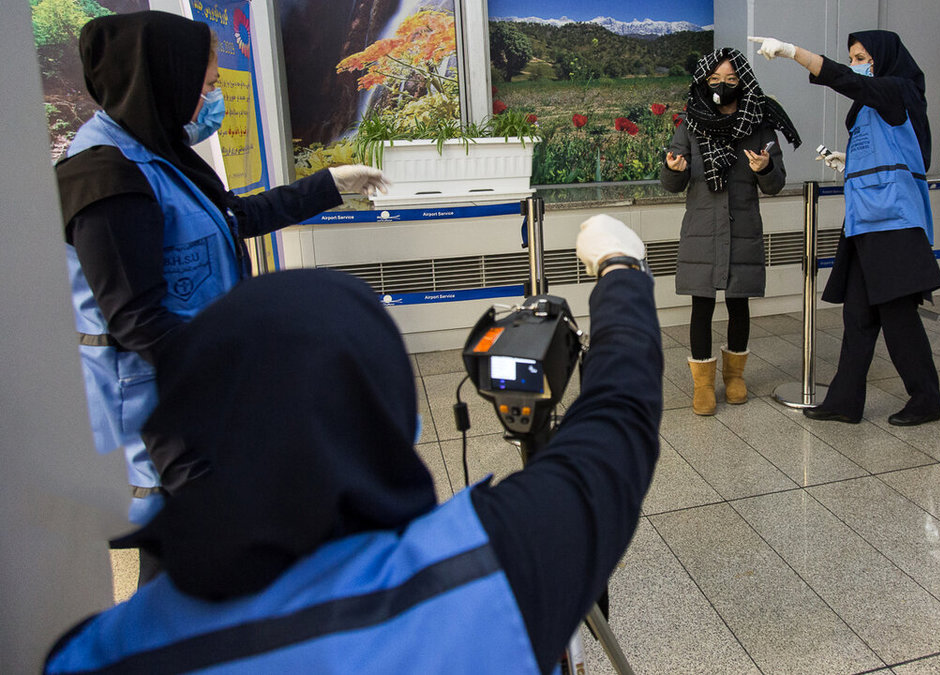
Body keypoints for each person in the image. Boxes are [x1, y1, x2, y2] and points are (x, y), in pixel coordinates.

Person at [43, 216, 663, 674]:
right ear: (387, 418)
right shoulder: (489, 569)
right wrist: (620, 269)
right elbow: (619, 416)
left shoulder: (92, 652)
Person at [54, 11, 387, 538]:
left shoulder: (161, 153)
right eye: (207, 84)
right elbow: (137, 322)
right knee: (191, 549)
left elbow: (236, 216)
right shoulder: (106, 176)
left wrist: (328, 184)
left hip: (204, 393)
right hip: (167, 411)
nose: (213, 99)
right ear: (167, 79)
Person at [752, 31, 940, 427]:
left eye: (861, 56)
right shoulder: (876, 104)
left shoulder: (898, 90)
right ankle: (845, 400)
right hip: (866, 219)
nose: (856, 63)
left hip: (892, 220)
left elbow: (848, 80)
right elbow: (886, 146)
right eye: (853, 57)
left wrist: (795, 53)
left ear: (882, 58)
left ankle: (927, 399)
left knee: (897, 316)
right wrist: (851, 162)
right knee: (858, 316)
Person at [660, 47, 801, 416]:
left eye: (732, 79)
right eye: (715, 80)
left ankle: (734, 378)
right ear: (704, 83)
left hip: (742, 227)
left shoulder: (760, 124)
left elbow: (776, 184)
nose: (723, 85)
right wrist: (674, 168)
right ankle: (703, 384)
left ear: (744, 82)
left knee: (739, 304)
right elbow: (671, 183)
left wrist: (766, 168)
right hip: (702, 229)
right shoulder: (689, 125)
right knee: (701, 304)